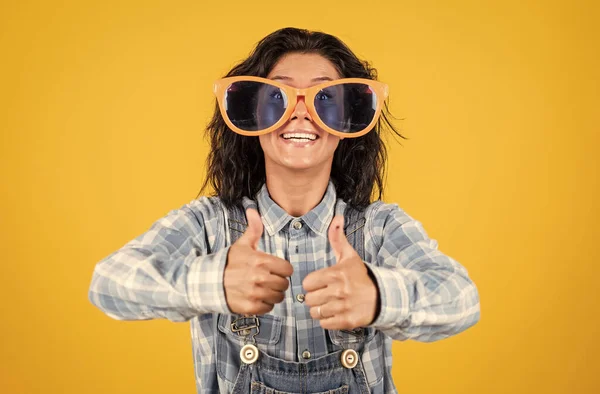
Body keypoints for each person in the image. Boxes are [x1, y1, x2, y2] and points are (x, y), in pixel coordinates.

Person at [88, 27, 480, 394]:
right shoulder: (208, 225)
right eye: (278, 96)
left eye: (325, 98)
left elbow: (461, 300)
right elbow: (109, 283)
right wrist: (213, 281)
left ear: (347, 121)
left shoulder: (378, 227)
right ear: (252, 117)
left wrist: (379, 296)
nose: (300, 111)